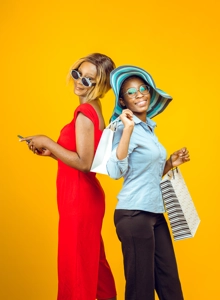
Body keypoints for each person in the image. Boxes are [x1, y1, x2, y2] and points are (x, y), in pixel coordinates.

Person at [20, 53, 117, 300]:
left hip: (79, 198)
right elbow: (84, 157)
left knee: (75, 267)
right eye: (78, 74)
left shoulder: (85, 112)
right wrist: (52, 154)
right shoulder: (94, 108)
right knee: (92, 262)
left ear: (101, 86)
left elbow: (85, 163)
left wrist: (48, 142)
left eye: (89, 79)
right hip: (81, 195)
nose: (79, 81)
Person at [106, 65, 190, 300]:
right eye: (131, 92)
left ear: (150, 94)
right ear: (123, 102)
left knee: (170, 284)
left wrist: (170, 163)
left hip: (154, 213)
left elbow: (145, 174)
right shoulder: (124, 129)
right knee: (140, 289)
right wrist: (128, 130)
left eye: (143, 88)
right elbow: (114, 170)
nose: (139, 94)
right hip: (133, 214)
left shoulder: (149, 130)